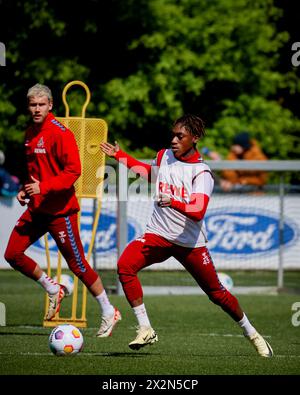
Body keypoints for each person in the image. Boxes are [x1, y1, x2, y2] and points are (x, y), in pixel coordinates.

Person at [100, 114, 273, 357]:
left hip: (189, 243)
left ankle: (251, 333)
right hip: (158, 234)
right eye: (173, 134)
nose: (173, 139)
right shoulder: (164, 155)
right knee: (125, 266)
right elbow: (150, 174)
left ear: (195, 138)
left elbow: (197, 211)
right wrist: (120, 155)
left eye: (180, 136)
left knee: (217, 294)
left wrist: (173, 201)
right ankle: (145, 328)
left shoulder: (202, 173)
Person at [4, 83, 121, 337]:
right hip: (37, 209)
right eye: (32, 105)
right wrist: (27, 189)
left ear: (50, 105)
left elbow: (73, 173)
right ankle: (52, 288)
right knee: (12, 254)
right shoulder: (29, 133)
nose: (36, 109)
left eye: (41, 104)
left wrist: (42, 187)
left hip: (61, 212)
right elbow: (37, 173)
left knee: (77, 265)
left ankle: (108, 310)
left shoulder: (60, 133)